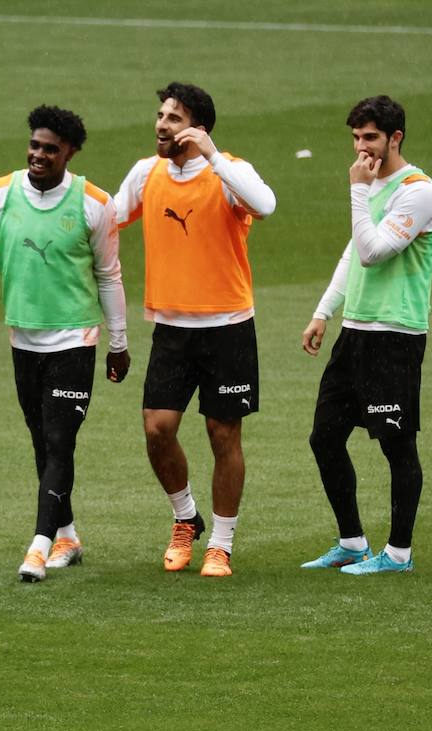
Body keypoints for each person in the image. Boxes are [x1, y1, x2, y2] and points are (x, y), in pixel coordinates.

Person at [0, 105, 127, 583]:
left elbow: (108, 275)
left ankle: (38, 546)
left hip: (74, 340)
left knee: (60, 442)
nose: (39, 155)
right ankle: (68, 536)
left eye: (50, 149)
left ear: (70, 154)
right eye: (35, 145)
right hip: (23, 340)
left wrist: (118, 341)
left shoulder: (94, 204)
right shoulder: (1, 194)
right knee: (43, 443)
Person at [115, 82, 276, 577]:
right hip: (171, 327)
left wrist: (213, 157)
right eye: (161, 115)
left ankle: (220, 545)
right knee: (157, 429)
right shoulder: (147, 172)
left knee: (222, 433)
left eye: (174, 118)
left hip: (228, 326)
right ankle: (185, 519)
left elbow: (265, 204)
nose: (162, 124)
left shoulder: (230, 173)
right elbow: (109, 219)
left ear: (198, 128)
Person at [300, 96, 432, 575]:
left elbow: (372, 252)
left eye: (370, 138)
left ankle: (398, 554)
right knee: (324, 438)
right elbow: (350, 252)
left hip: (395, 337)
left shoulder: (418, 192)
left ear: (395, 137)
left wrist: (358, 192)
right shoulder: (374, 187)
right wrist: (324, 311)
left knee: (397, 446)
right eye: (356, 138)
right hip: (356, 333)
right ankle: (353, 541)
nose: (361, 149)